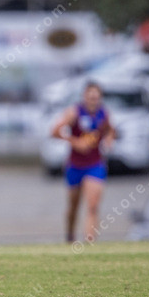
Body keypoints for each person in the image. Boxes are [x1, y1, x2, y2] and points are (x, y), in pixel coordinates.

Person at [51, 81, 114, 243]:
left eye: (96, 98)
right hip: (75, 165)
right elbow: (54, 131)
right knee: (74, 206)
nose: (93, 100)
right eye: (90, 97)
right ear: (84, 97)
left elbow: (109, 130)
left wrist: (108, 139)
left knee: (92, 205)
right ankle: (70, 236)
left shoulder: (103, 114)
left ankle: (89, 242)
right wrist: (75, 142)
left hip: (95, 164)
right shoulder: (74, 112)